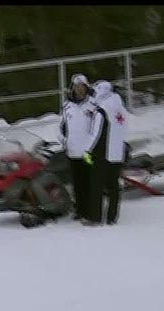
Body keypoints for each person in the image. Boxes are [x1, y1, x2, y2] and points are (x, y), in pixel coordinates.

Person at [58, 73, 102, 225]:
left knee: (89, 180)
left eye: (82, 86)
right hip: (72, 151)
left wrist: (92, 146)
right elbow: (61, 127)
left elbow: (97, 127)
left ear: (86, 87)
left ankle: (91, 211)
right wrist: (64, 141)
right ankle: (80, 209)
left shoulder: (93, 104)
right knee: (77, 183)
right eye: (76, 87)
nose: (79, 90)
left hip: (88, 151)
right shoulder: (66, 106)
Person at [92, 80, 130, 226]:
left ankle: (96, 217)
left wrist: (88, 150)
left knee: (97, 185)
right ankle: (112, 217)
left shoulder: (102, 109)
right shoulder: (119, 106)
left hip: (102, 153)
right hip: (117, 152)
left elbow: (95, 134)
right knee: (114, 186)